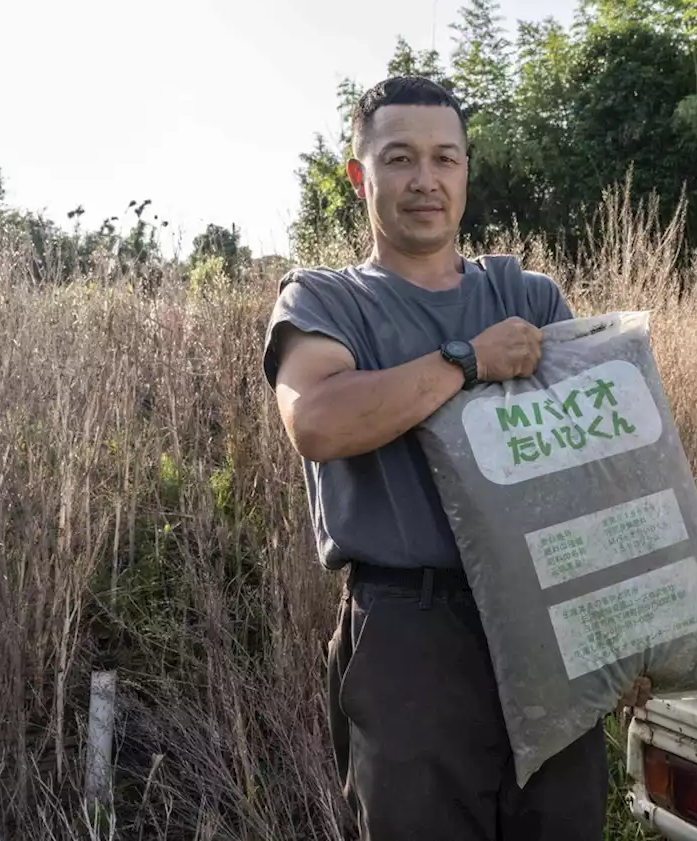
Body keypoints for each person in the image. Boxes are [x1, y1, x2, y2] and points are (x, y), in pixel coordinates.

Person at [261, 76, 629, 840]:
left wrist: (629, 625)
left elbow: (597, 469)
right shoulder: (326, 302)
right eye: (399, 159)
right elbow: (319, 422)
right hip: (410, 633)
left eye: (444, 158)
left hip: (546, 618)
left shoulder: (525, 294)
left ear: (466, 170)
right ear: (360, 176)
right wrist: (466, 360)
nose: (424, 180)